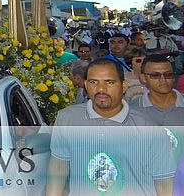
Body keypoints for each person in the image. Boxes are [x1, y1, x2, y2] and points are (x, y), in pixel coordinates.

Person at [46, 59, 176, 196]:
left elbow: (164, 184)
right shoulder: (67, 119)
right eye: (93, 82)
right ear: (85, 85)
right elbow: (58, 169)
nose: (101, 89)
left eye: (109, 82)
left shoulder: (150, 128)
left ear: (124, 85)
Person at [131, 54, 184, 159]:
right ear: (143, 78)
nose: (163, 79)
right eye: (155, 75)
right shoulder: (132, 111)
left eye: (168, 75)